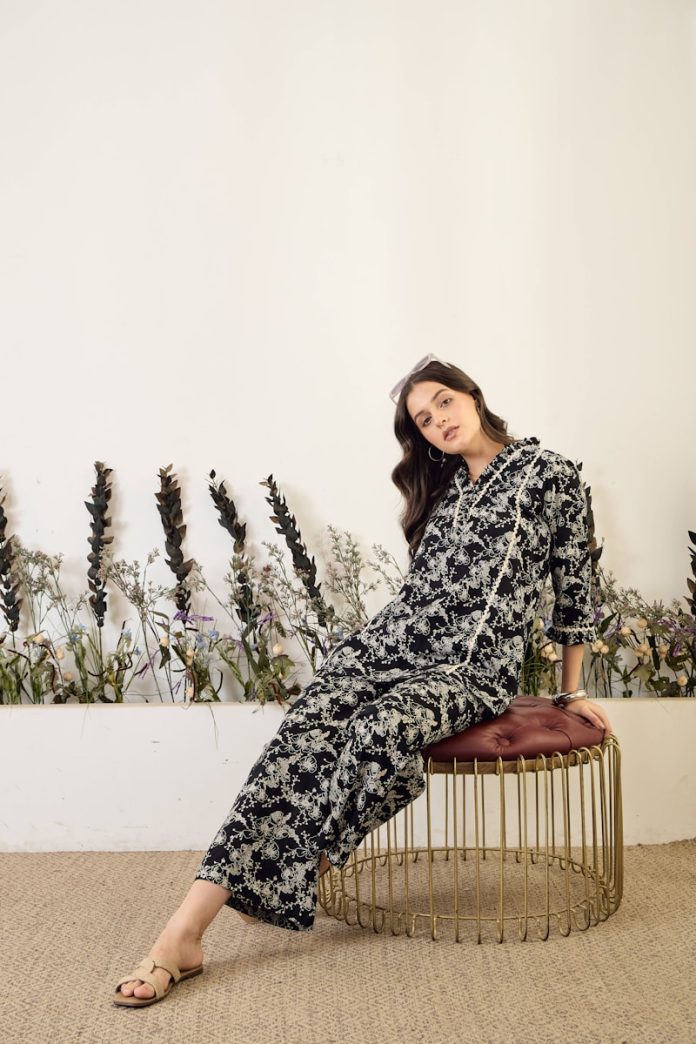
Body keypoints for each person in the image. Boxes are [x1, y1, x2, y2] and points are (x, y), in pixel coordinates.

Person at [113, 356, 613, 1007]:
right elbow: (419, 595)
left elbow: (575, 586)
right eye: (424, 421)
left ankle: (286, 875)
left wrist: (572, 691)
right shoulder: (447, 490)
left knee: (379, 733)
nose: (438, 423)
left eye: (443, 403)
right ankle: (180, 935)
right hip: (387, 646)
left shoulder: (549, 474)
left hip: (469, 669)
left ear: (473, 394)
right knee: (299, 734)